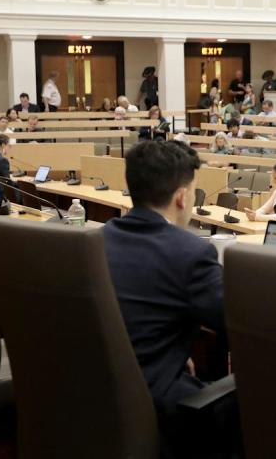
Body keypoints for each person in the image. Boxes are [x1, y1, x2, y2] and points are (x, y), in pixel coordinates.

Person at [101, 141, 234, 456]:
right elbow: (239, 317)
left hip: (96, 391)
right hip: (151, 403)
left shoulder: (101, 237)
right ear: (182, 196)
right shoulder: (190, 252)